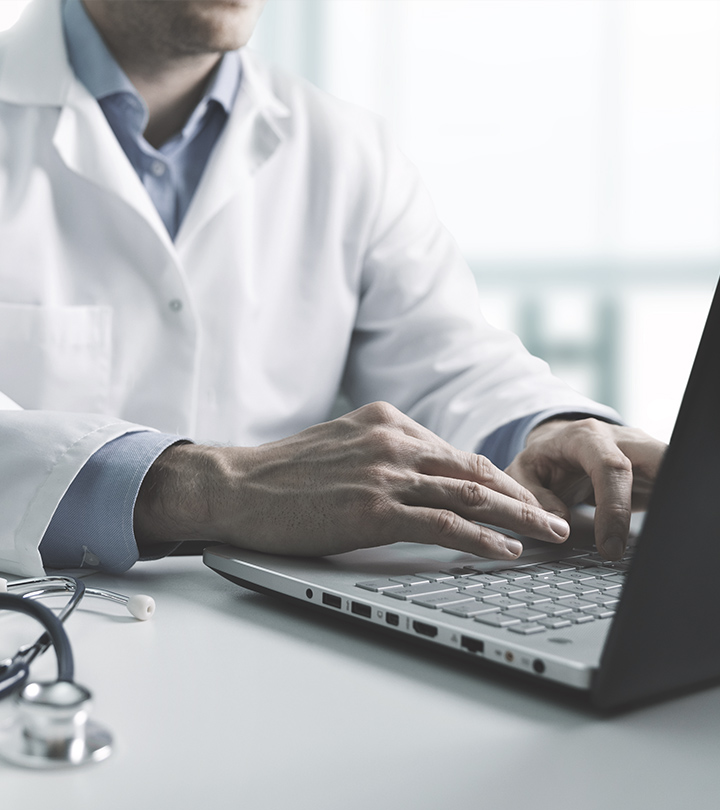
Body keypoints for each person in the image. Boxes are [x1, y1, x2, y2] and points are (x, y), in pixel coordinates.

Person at [0, 0, 665, 579]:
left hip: (281, 632)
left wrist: (549, 430)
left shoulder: (347, 148)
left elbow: (447, 362)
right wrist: (208, 490)